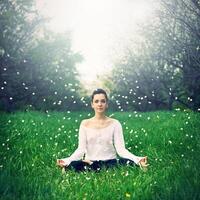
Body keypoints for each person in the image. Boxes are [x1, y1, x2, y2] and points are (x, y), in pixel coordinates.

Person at [57, 88, 149, 172]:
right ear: (92, 104)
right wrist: (67, 160)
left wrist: (137, 159)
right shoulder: (84, 124)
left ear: (107, 104)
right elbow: (80, 149)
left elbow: (121, 149)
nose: (100, 104)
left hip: (111, 163)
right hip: (90, 162)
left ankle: (139, 164)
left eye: (103, 101)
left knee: (127, 163)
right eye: (96, 101)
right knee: (73, 165)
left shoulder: (115, 123)